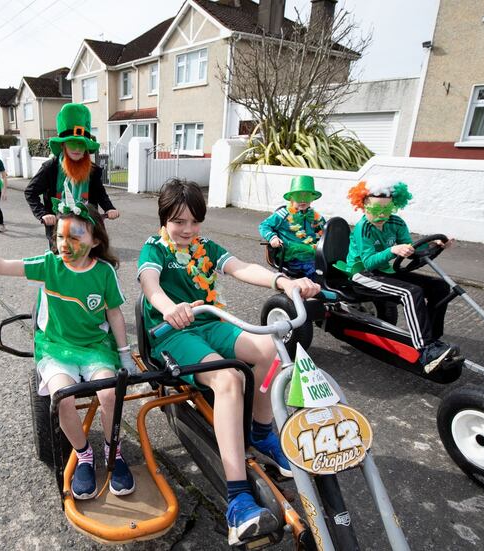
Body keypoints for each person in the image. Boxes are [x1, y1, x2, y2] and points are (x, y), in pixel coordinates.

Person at [137, 179, 319, 545]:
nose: (187, 230)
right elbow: (150, 284)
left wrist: (284, 282)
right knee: (228, 379)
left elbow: (241, 267)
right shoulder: (153, 249)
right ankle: (237, 500)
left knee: (269, 351)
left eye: (193, 221)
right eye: (178, 221)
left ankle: (261, 431)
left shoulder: (206, 247)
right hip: (171, 333)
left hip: (209, 321)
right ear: (164, 219)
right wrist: (168, 308)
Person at [0, 200, 137, 500]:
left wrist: (125, 353)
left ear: (95, 240)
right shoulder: (50, 265)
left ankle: (114, 453)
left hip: (95, 347)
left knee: (110, 393)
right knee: (62, 398)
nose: (65, 244)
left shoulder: (104, 272)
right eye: (60, 237)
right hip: (56, 348)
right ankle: (84, 455)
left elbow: (114, 314)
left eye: (75, 237)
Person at [344, 178, 456, 373]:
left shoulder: (396, 222)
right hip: (362, 274)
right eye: (375, 210)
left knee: (440, 287)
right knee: (410, 292)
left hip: (385, 270)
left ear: (394, 207)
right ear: (363, 207)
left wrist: (435, 247)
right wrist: (393, 250)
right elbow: (369, 262)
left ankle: (434, 338)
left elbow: (413, 251)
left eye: (386, 210)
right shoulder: (364, 228)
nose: (381, 216)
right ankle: (425, 349)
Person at [25, 103, 119, 251]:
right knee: (61, 262)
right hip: (59, 228)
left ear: (86, 148)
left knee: (92, 257)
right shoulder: (50, 168)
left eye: (80, 144)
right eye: (72, 143)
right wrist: (44, 214)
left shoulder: (92, 170)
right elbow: (30, 192)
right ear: (63, 145)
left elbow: (100, 193)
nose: (76, 148)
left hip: (87, 224)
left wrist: (109, 208)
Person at [258, 175, 326, 280]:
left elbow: (325, 230)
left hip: (313, 252)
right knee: (315, 270)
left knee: (330, 266)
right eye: (298, 196)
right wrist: (272, 237)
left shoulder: (314, 215)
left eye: (307, 196)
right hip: (293, 255)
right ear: (291, 198)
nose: (303, 200)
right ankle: (317, 290)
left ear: (312, 199)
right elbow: (264, 225)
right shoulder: (283, 213)